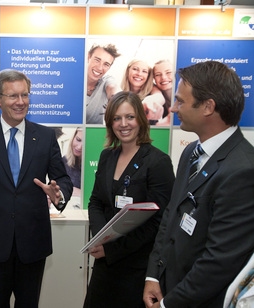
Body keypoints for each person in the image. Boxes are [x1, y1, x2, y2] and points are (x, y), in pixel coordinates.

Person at [0, 69, 73, 308]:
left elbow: (63, 179)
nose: (20, 102)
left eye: (25, 95)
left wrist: (59, 194)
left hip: (33, 240)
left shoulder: (46, 136)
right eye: (12, 96)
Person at [143, 61, 254, 308]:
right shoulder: (192, 152)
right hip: (169, 287)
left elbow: (219, 262)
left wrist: (168, 304)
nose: (172, 108)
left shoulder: (243, 170)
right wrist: (153, 275)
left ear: (207, 107)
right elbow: (171, 215)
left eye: (181, 101)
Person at [83, 91, 174, 308]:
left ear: (141, 121)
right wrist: (100, 238)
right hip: (105, 265)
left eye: (130, 117)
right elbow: (96, 202)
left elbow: (158, 222)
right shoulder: (107, 156)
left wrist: (111, 249)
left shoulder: (158, 162)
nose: (124, 124)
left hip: (137, 267)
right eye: (117, 118)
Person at [121, 59, 165, 125]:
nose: (139, 74)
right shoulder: (120, 91)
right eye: (135, 69)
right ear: (128, 71)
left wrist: (148, 102)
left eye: (144, 71)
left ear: (148, 76)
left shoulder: (152, 88)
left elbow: (159, 97)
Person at [85, 44, 121, 125]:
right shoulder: (72, 80)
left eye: (106, 64)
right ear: (88, 57)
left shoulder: (107, 80)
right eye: (97, 60)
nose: (100, 68)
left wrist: (115, 100)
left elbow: (113, 88)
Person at [62, 127, 82, 197]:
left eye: (85, 143)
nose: (79, 147)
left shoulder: (95, 163)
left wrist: (82, 193)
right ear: (73, 137)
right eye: (78, 140)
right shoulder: (64, 161)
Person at [153, 60, 173, 126]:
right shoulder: (155, 91)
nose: (163, 77)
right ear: (154, 79)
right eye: (158, 75)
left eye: (168, 72)